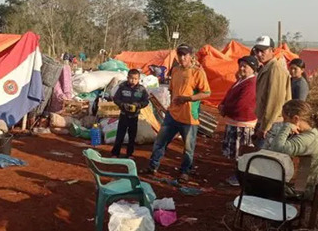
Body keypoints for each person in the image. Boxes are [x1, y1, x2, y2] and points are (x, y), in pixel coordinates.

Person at [143, 44, 211, 182]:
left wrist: (188, 98)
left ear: (191, 56)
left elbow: (207, 93)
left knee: (188, 148)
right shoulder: (175, 70)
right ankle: (153, 166)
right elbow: (172, 89)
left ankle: (185, 171)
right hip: (172, 114)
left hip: (189, 117)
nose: (182, 57)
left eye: (185, 54)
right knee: (160, 142)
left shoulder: (198, 72)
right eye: (180, 54)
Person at [267, 100, 318, 200]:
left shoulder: (310, 139)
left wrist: (287, 127)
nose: (283, 122)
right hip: (294, 185)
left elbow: (276, 149)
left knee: (253, 182)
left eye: (285, 119)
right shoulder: (307, 134)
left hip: (298, 190)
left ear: (295, 119)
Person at [218, 55, 259, 186]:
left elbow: (243, 105)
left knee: (241, 152)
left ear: (252, 69)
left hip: (243, 124)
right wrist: (222, 104)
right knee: (237, 152)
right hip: (236, 122)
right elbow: (229, 94)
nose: (241, 68)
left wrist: (225, 109)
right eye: (240, 65)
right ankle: (238, 175)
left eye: (244, 66)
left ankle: (240, 177)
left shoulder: (251, 83)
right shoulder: (242, 80)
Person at [252, 35, 291, 148]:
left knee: (265, 160)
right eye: (257, 51)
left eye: (263, 51)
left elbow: (275, 101)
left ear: (272, 51)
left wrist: (265, 127)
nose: (259, 54)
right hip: (267, 122)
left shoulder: (275, 69)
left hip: (273, 124)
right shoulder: (267, 68)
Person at [111, 69, 149, 158]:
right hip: (124, 115)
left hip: (134, 117)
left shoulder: (141, 89)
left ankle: (129, 154)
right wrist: (123, 105)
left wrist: (138, 105)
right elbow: (116, 99)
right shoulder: (122, 87)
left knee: (132, 136)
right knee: (120, 135)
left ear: (139, 79)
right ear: (127, 78)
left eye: (136, 79)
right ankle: (115, 153)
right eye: (131, 78)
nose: (133, 80)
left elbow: (146, 101)